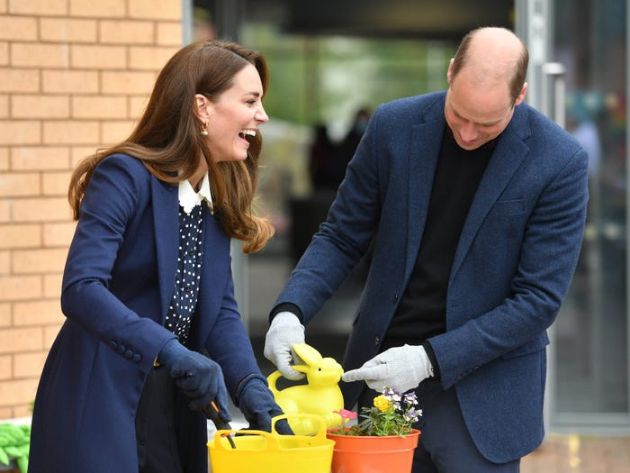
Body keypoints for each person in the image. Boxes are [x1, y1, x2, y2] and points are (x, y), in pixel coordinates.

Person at [264, 27, 588, 472]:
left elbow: (537, 301)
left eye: (488, 123)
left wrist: (429, 358)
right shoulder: (392, 127)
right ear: (450, 72)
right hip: (378, 376)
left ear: (521, 96)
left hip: (483, 397)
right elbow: (342, 235)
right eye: (459, 114)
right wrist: (290, 310)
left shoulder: (560, 161)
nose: (469, 134)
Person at [29, 40, 289, 473]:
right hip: (101, 398)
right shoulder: (123, 175)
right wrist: (170, 350)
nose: (261, 116)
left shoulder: (213, 197)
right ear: (202, 108)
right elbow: (81, 289)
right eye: (250, 101)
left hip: (174, 408)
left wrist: (251, 387)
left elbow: (220, 309)